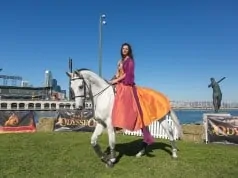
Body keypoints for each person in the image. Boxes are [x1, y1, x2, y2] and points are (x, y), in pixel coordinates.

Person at [109, 43, 171, 146]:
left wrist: (116, 80)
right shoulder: (120, 61)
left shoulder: (130, 61)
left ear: (129, 51)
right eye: (123, 48)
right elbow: (117, 73)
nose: (124, 50)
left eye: (126, 49)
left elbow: (126, 75)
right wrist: (111, 80)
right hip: (119, 82)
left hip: (126, 84)